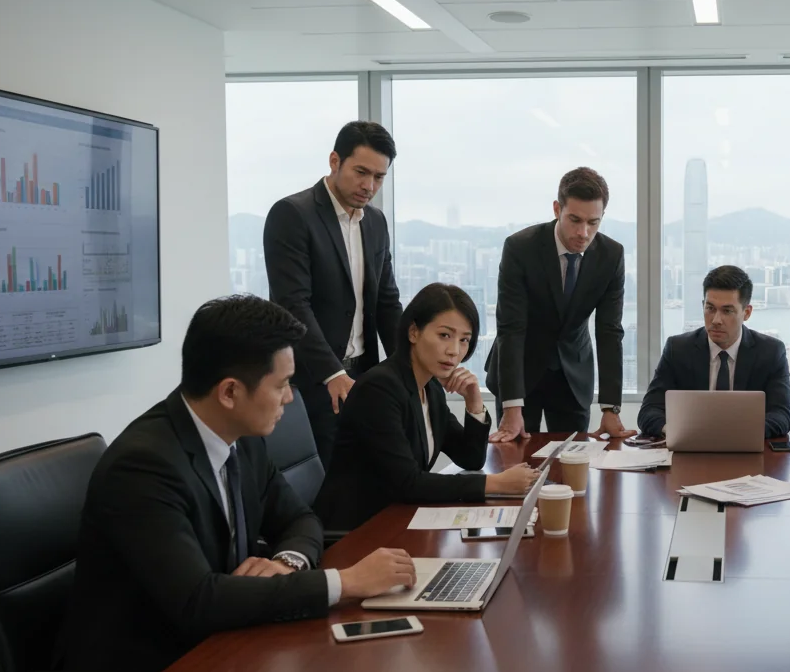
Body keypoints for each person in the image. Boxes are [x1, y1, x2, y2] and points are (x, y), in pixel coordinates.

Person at [55, 296, 417, 672]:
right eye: (282, 384)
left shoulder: (240, 439)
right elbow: (197, 601)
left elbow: (301, 519)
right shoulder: (144, 467)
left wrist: (287, 562)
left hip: (227, 647)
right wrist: (346, 583)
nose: (290, 397)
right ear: (229, 392)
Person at [315, 284, 541, 531]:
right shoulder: (379, 388)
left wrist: (474, 402)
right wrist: (496, 484)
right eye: (444, 335)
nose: (454, 351)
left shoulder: (430, 388)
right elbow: (409, 483)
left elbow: (471, 458)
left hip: (397, 519)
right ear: (413, 332)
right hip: (356, 530)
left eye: (464, 340)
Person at [263, 121, 404, 468]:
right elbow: (293, 304)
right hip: (313, 380)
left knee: (369, 478)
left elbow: (387, 302)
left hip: (364, 378)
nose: (369, 186)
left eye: (379, 177)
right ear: (334, 161)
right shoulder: (293, 215)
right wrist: (333, 373)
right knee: (323, 482)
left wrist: (410, 368)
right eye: (361, 172)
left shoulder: (376, 222)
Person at [486, 167, 636, 441]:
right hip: (520, 372)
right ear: (557, 209)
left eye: (593, 222)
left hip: (573, 375)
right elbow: (511, 327)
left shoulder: (611, 255)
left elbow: (609, 331)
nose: (583, 233)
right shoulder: (520, 248)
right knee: (516, 456)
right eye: (575, 220)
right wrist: (512, 405)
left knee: (574, 460)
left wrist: (610, 408)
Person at [638, 265, 790, 438]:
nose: (716, 320)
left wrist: (737, 434)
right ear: (703, 305)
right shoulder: (678, 349)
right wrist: (675, 431)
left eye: (727, 311)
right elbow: (649, 411)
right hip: (690, 446)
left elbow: (782, 415)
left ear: (747, 313)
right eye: (710, 308)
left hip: (745, 447)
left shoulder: (770, 352)